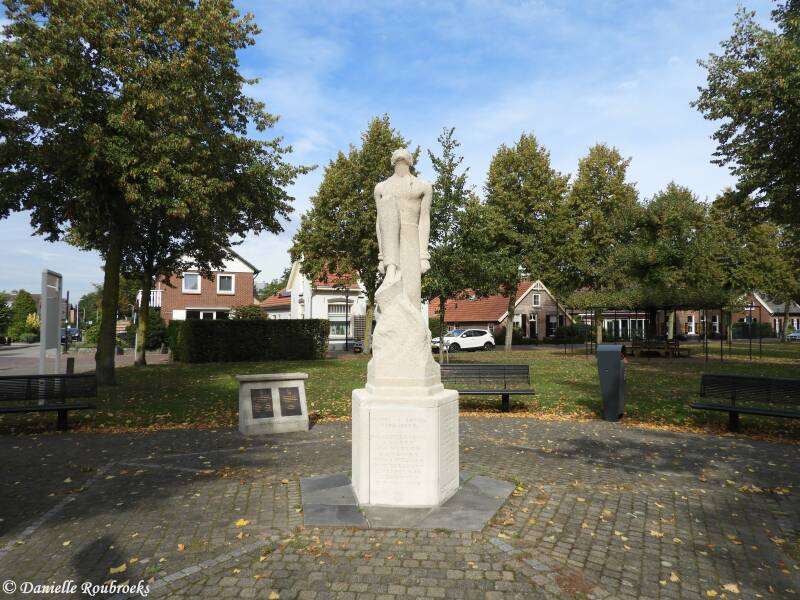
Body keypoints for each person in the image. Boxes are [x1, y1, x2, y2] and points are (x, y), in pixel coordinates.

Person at [374, 148, 432, 308]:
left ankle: (413, 329)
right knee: (392, 294)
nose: (400, 152)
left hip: (412, 240)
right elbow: (380, 223)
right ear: (392, 161)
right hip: (391, 242)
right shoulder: (381, 188)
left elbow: (424, 219)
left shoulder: (423, 186)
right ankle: (391, 270)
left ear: (411, 161)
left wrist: (423, 256)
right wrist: (382, 256)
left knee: (411, 294)